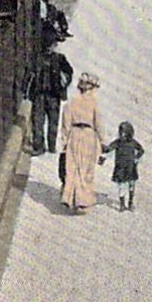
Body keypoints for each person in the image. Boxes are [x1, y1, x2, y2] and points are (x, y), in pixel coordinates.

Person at [59, 73, 104, 211]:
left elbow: (66, 124)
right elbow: (99, 124)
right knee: (85, 168)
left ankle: (70, 198)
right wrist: (102, 142)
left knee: (73, 167)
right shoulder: (94, 104)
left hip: (74, 135)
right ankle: (82, 200)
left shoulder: (72, 102)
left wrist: (64, 143)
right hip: (89, 137)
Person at [26, 41, 74, 154]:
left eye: (51, 45)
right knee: (38, 121)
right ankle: (39, 147)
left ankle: (51, 145)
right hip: (39, 94)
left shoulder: (60, 58)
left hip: (54, 95)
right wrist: (27, 89)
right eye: (47, 45)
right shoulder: (36, 58)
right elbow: (29, 74)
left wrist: (63, 84)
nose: (49, 48)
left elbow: (69, 73)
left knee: (53, 122)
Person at [99, 120, 146, 211]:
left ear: (129, 133)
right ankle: (122, 205)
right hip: (120, 167)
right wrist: (101, 147)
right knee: (121, 186)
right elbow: (109, 149)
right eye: (120, 132)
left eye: (123, 133)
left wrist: (136, 158)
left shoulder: (133, 142)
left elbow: (141, 150)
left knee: (131, 185)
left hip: (131, 167)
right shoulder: (117, 142)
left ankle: (130, 203)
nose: (121, 135)